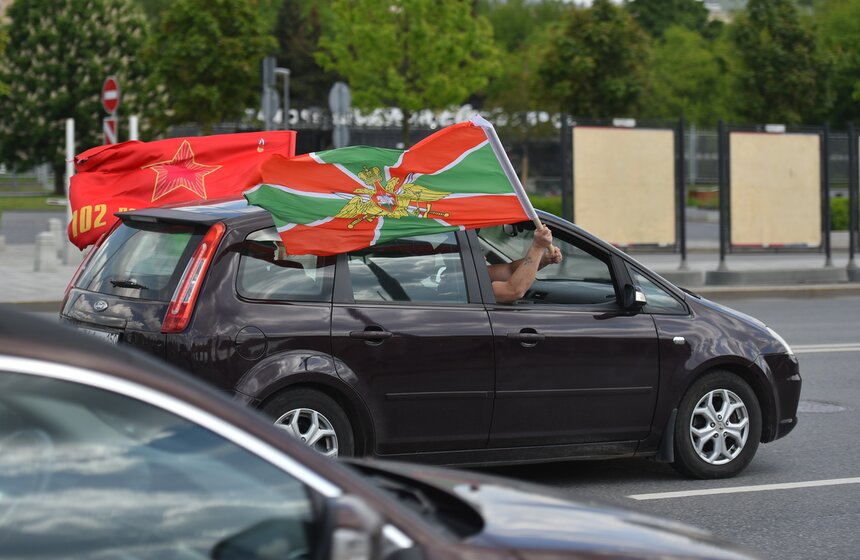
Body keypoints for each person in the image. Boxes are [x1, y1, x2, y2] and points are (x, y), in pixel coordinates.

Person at [488, 223, 562, 304]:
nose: (483, 257)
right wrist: (538, 246)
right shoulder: (472, 284)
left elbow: (510, 270)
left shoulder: (475, 272)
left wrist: (544, 260)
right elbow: (512, 291)